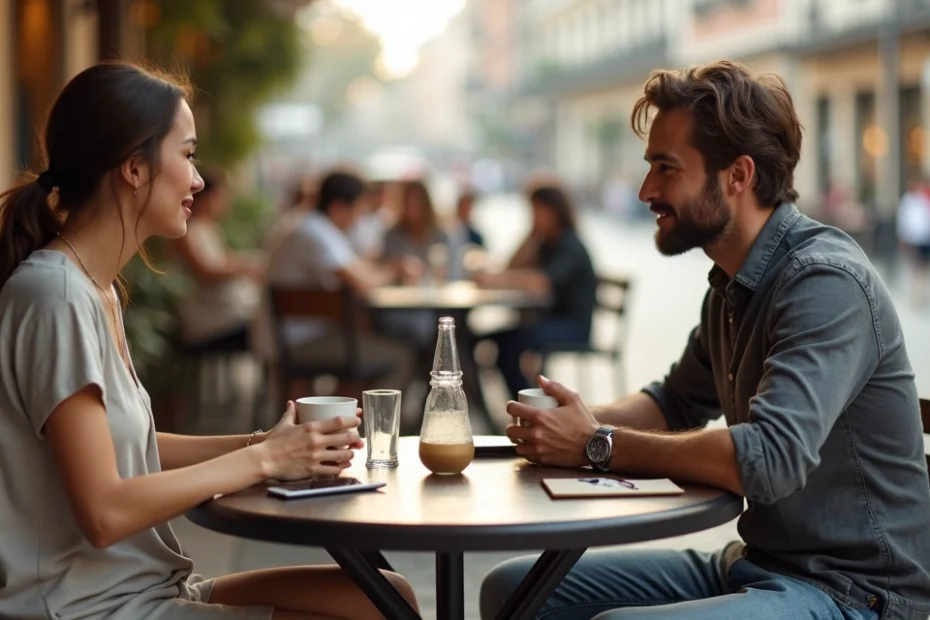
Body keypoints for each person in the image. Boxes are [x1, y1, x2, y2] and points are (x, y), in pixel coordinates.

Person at [480, 61, 930, 620]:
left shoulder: (825, 282)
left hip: (855, 593)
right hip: (758, 562)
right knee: (515, 590)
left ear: (738, 176)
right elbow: (671, 403)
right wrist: (564, 423)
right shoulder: (730, 286)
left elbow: (769, 459)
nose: (646, 190)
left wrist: (597, 443)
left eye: (666, 168)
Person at [0, 61, 417, 620]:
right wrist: (265, 461)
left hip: (144, 587)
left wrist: (264, 444)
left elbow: (135, 446)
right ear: (133, 167)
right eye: (189, 155)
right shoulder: (55, 295)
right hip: (86, 607)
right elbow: (103, 511)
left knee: (385, 594)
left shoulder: (93, 290)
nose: (198, 180)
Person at [258, 170, 417, 394]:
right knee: (401, 356)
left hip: (289, 336)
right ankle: (373, 425)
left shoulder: (309, 226)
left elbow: (357, 269)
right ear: (339, 207)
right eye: (359, 209)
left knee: (365, 341)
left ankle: (341, 419)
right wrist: (394, 270)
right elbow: (362, 282)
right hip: (298, 342)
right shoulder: (317, 233)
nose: (360, 217)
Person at [476, 183, 597, 400]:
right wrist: (532, 234)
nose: (533, 215)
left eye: (536, 210)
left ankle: (531, 408)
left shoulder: (569, 245)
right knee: (486, 339)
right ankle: (523, 406)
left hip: (571, 326)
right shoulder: (546, 242)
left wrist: (498, 279)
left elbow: (542, 282)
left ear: (553, 210)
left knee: (509, 346)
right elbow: (513, 266)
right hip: (547, 321)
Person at [171, 166, 263, 348]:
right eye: (220, 196)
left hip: (224, 310)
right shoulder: (186, 231)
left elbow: (226, 262)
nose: (224, 203)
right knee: (268, 328)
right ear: (206, 197)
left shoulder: (210, 228)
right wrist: (244, 267)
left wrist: (246, 265)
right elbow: (206, 271)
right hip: (208, 318)